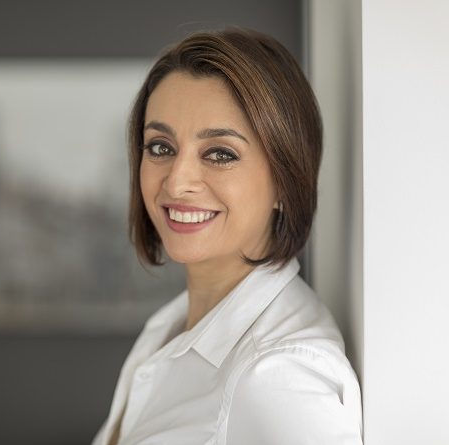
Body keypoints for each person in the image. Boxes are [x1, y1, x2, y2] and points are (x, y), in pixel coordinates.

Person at [91, 28, 363, 445]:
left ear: (285, 180)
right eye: (161, 147)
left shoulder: (280, 377)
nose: (177, 182)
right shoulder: (169, 328)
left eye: (220, 154)